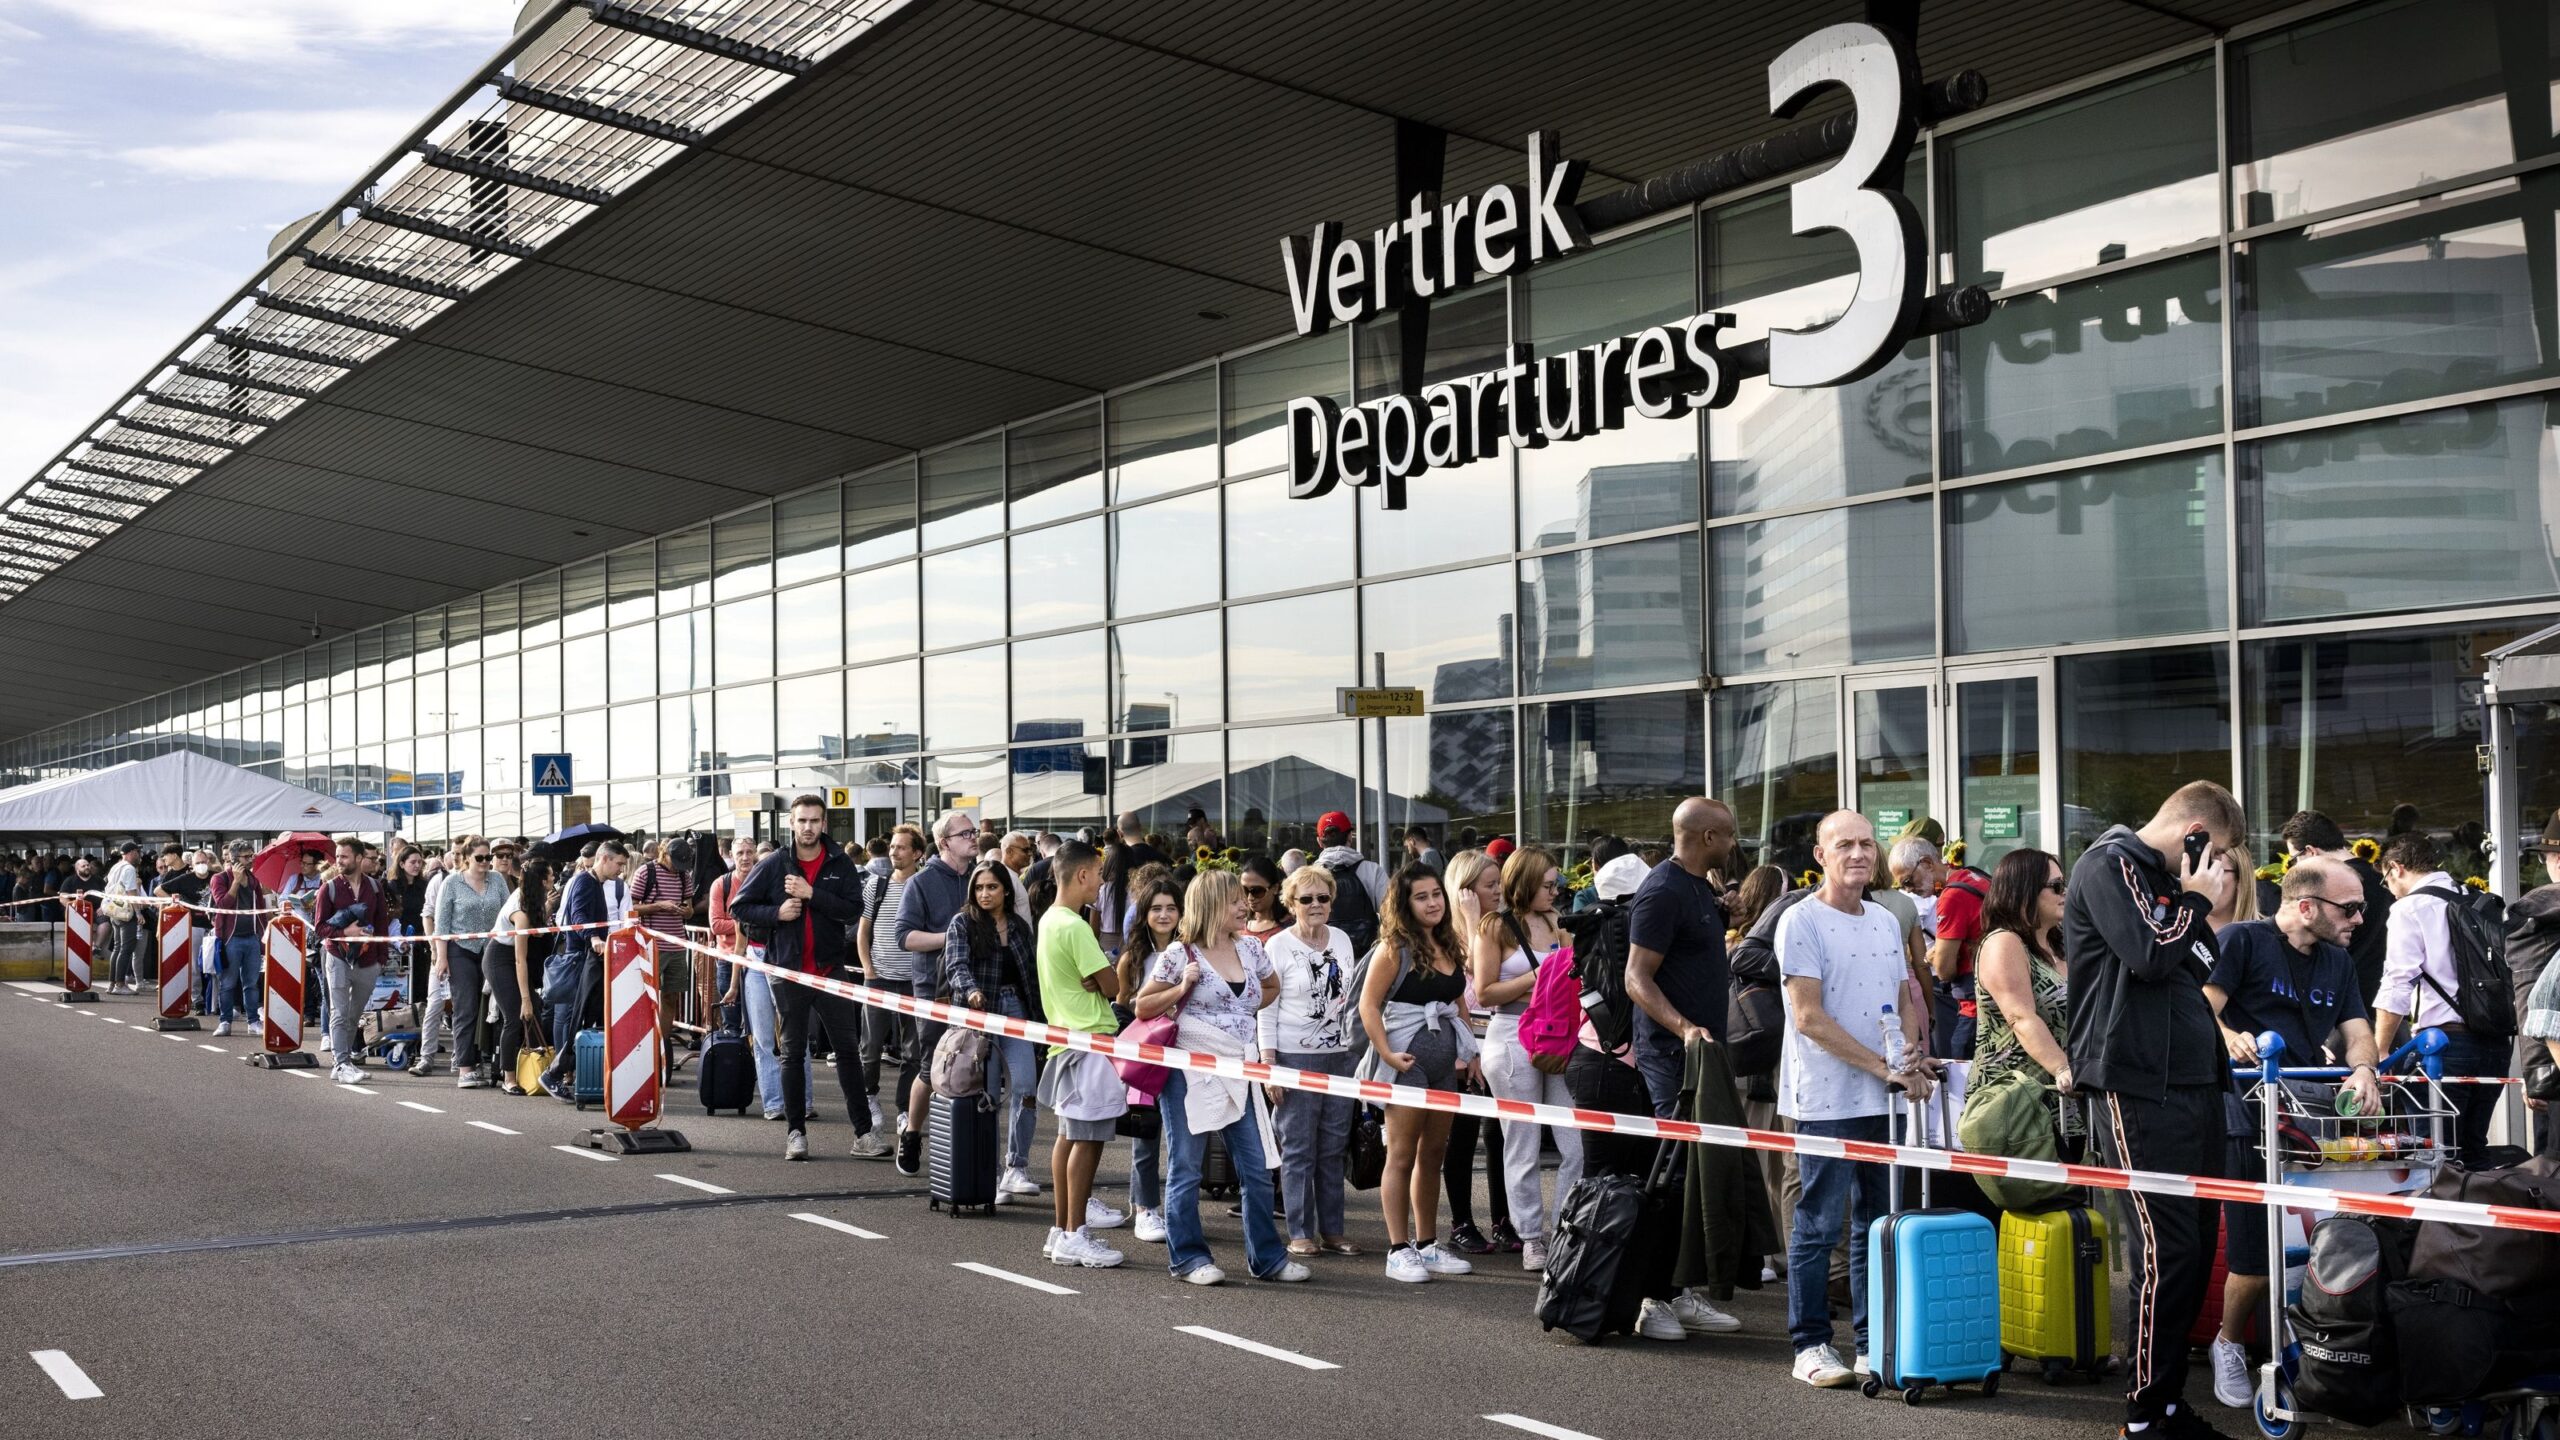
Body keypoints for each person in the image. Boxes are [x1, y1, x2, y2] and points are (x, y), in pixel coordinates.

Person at [2065, 779, 2243, 1440]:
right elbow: (2150, 954)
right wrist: (2194, 901)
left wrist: (2187, 913)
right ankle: (2144, 1415)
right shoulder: (2111, 863)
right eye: (2215, 851)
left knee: (2194, 1249)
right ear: (2192, 831)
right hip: (2136, 1083)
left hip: (2192, 1082)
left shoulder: (2165, 891)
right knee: (2166, 1250)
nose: (2218, 868)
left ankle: (2167, 1403)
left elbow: (2198, 957)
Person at [2202, 856, 2382, 1410]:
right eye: (2349, 908)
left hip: (2309, 1118)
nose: (2358, 919)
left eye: (2362, 909)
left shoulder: (2337, 961)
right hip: (2246, 1114)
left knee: (2317, 1245)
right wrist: (2230, 1036)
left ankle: (2310, 1341)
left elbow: (2358, 1031)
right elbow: (2201, 1007)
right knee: (2256, 1255)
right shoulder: (2243, 941)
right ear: (2306, 906)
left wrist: (2363, 1070)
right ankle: (2229, 1343)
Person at [1777, 811, 1935, 1388]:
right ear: (1820, 856)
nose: (1858, 853)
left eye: (1867, 843)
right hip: (1825, 1099)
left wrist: (1911, 1055)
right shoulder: (1801, 921)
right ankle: (1811, 1344)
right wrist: (1882, 1067)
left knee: (1875, 1223)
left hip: (1882, 1099)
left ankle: (1872, 1344)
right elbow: (1809, 1017)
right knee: (1819, 1225)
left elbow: (1903, 998)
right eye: (1843, 844)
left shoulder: (1885, 921)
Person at [1133, 869, 1301, 1286]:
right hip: (1190, 1070)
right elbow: (1142, 1007)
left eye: (1243, 898)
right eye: (1234, 900)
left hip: (1239, 1070)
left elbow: (1272, 987)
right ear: (1211, 905)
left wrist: (1239, 1019)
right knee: (1187, 1167)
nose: (1244, 905)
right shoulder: (1179, 954)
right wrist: (1179, 991)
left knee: (1257, 1167)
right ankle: (1189, 1258)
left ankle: (1267, 1257)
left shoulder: (1250, 949)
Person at [731, 795, 887, 1162]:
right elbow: (740, 907)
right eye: (802, 821)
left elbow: (853, 911)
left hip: (829, 970)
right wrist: (777, 913)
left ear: (824, 824)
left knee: (848, 1052)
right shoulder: (774, 864)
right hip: (787, 972)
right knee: (792, 1052)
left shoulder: (839, 861)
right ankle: (796, 1134)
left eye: (815, 821)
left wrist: (812, 894)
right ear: (791, 823)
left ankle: (864, 1134)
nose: (808, 827)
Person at [1355, 863, 1479, 1284]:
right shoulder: (1394, 947)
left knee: (1433, 1155)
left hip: (1445, 1068)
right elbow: (1368, 1006)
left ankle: (1427, 1244)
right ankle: (1397, 1248)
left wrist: (1471, 1053)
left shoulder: (1449, 942)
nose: (1433, 903)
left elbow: (1458, 999)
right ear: (1405, 905)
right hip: (1405, 1066)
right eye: (1422, 897)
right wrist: (1388, 1054)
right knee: (1402, 1155)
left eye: (1436, 894)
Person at [1470, 846, 1583, 1273]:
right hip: (1512, 1035)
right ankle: (1531, 1236)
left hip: (1557, 1035)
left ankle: (1568, 1226)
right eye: (1548, 884)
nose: (1555, 892)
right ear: (1526, 882)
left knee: (1575, 1140)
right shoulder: (1495, 926)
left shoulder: (1559, 923)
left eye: (1557, 884)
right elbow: (1485, 993)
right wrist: (1538, 978)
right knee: (1522, 1141)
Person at [2374, 831, 2506, 1163]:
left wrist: (2379, 1050)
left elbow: (2397, 983)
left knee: (2433, 1156)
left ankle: (2442, 1216)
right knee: (2474, 1151)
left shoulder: (2410, 909)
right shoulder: (2478, 899)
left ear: (2396, 868)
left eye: (2385, 880)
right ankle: (2475, 1213)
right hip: (2496, 1045)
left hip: (2443, 1045)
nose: (2388, 889)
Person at [1034, 840, 1128, 1269]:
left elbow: (1098, 979)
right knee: (1086, 1140)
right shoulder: (1073, 925)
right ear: (1083, 875)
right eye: (1099, 874)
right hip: (1089, 1040)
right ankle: (1074, 1233)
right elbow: (1113, 986)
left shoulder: (1051, 921)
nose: (1102, 884)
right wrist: (1104, 974)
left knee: (1069, 1136)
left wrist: (1098, 976)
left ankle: (1062, 1230)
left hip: (1065, 1039)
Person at [1259, 862, 1360, 1258]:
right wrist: (1270, 1066)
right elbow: (1265, 1009)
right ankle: (1300, 1232)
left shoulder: (1343, 940)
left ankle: (1333, 1230)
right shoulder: (1277, 945)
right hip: (1294, 1057)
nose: (1316, 904)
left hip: (1341, 1057)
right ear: (1290, 903)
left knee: (1334, 1147)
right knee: (1298, 1147)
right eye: (1307, 899)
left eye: (1324, 898)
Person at [946, 858, 1044, 1199]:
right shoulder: (962, 923)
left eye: (992, 887)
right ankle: (990, 1173)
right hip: (978, 1018)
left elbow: (1033, 975)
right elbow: (955, 964)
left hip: (1016, 1009)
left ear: (1006, 890)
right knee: (986, 1097)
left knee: (1026, 1088)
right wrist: (971, 989)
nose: (985, 894)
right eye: (979, 887)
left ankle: (1017, 1166)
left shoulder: (1019, 926)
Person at [893, 812, 977, 1175]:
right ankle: (912, 1134)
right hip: (935, 990)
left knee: (975, 1067)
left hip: (976, 989)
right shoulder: (921, 883)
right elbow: (904, 936)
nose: (974, 837)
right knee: (933, 1067)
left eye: (975, 831)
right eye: (966, 833)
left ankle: (968, 1146)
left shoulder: (981, 878)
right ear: (944, 842)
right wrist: (951, 938)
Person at [1440, 848, 1514, 1255]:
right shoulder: (1447, 932)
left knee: (1502, 1133)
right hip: (1464, 1045)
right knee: (1462, 1137)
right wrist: (1470, 920)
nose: (1499, 891)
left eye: (1500, 882)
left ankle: (1504, 1218)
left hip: (1499, 1040)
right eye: (1490, 885)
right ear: (1465, 891)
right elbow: (1471, 976)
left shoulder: (1502, 927)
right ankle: (1462, 1221)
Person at [1118, 871, 1185, 1244]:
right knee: (1145, 1134)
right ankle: (1145, 1208)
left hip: (1185, 1051)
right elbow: (1125, 1002)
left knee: (1182, 1137)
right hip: (1146, 1053)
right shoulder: (1133, 957)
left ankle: (1175, 1208)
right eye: (1156, 908)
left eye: (1171, 908)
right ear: (1143, 914)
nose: (1164, 915)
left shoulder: (1192, 950)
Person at [2275, 810, 2396, 1006]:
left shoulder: (2330, 887)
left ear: (2310, 851)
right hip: (2382, 1000)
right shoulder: (2384, 881)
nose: (2294, 866)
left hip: (2336, 1002)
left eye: (2295, 858)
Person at [538, 840, 625, 1099]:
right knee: (579, 1019)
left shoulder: (593, 882)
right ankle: (555, 1073)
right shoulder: (585, 882)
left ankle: (575, 1073)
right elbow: (579, 916)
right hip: (582, 958)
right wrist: (594, 938)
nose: (621, 870)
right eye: (619, 863)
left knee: (588, 1018)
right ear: (605, 858)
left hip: (588, 957)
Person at [855, 824, 927, 1129]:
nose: (894, 852)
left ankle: (903, 1109)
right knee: (870, 1048)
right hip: (880, 978)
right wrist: (868, 968)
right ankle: (869, 1097)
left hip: (915, 981)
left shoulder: (924, 886)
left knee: (914, 1052)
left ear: (917, 853)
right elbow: (863, 931)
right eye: (893, 846)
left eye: (901, 847)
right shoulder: (876, 885)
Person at [431, 839, 508, 1089]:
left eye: (488, 857)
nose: (486, 862)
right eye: (480, 858)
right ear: (466, 858)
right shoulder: (452, 883)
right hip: (459, 950)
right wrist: (441, 957)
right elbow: (441, 924)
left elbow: (507, 913)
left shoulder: (497, 880)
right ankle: (465, 1067)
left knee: (490, 1009)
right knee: (466, 1007)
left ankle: (484, 1062)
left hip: (491, 950)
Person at [315, 837, 389, 1085]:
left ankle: (342, 1062)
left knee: (354, 1013)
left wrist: (381, 958)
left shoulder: (375, 887)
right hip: (337, 956)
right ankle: (342, 1063)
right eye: (337, 856)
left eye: (344, 856)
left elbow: (381, 925)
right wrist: (345, 933)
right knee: (339, 1011)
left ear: (359, 859)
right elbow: (320, 928)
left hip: (368, 960)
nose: (339, 861)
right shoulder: (329, 888)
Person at [489, 856, 549, 1094]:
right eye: (551, 876)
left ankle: (535, 1070)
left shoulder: (532, 899)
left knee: (536, 1010)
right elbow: (519, 959)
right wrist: (525, 998)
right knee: (515, 1016)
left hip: (512, 957)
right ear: (543, 881)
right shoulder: (521, 911)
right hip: (500, 958)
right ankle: (509, 1078)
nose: (554, 879)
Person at [207, 842, 266, 1037]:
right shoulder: (219, 878)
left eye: (251, 856)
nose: (250, 860)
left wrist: (263, 935)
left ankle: (253, 1021)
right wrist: (235, 883)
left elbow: (261, 909)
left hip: (252, 937)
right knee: (228, 983)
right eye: (246, 857)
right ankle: (225, 1021)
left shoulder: (254, 880)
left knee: (251, 983)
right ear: (234, 859)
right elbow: (223, 904)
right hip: (230, 939)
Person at [1311, 810, 1388, 953]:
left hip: (1325, 956)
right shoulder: (1373, 871)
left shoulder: (1310, 875)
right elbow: (1390, 913)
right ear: (1350, 837)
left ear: (1320, 842)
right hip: (1368, 956)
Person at [103, 840, 146, 994]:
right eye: (137, 852)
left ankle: (112, 983)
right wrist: (138, 912)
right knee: (126, 949)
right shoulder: (129, 869)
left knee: (117, 947)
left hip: (114, 911)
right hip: (126, 911)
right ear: (131, 852)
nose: (139, 855)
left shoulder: (116, 866)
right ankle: (120, 985)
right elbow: (131, 892)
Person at [1238, 856, 1288, 948]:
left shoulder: (1290, 928)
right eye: (1244, 890)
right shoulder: (1237, 923)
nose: (1250, 897)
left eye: (1257, 891)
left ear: (1275, 888)